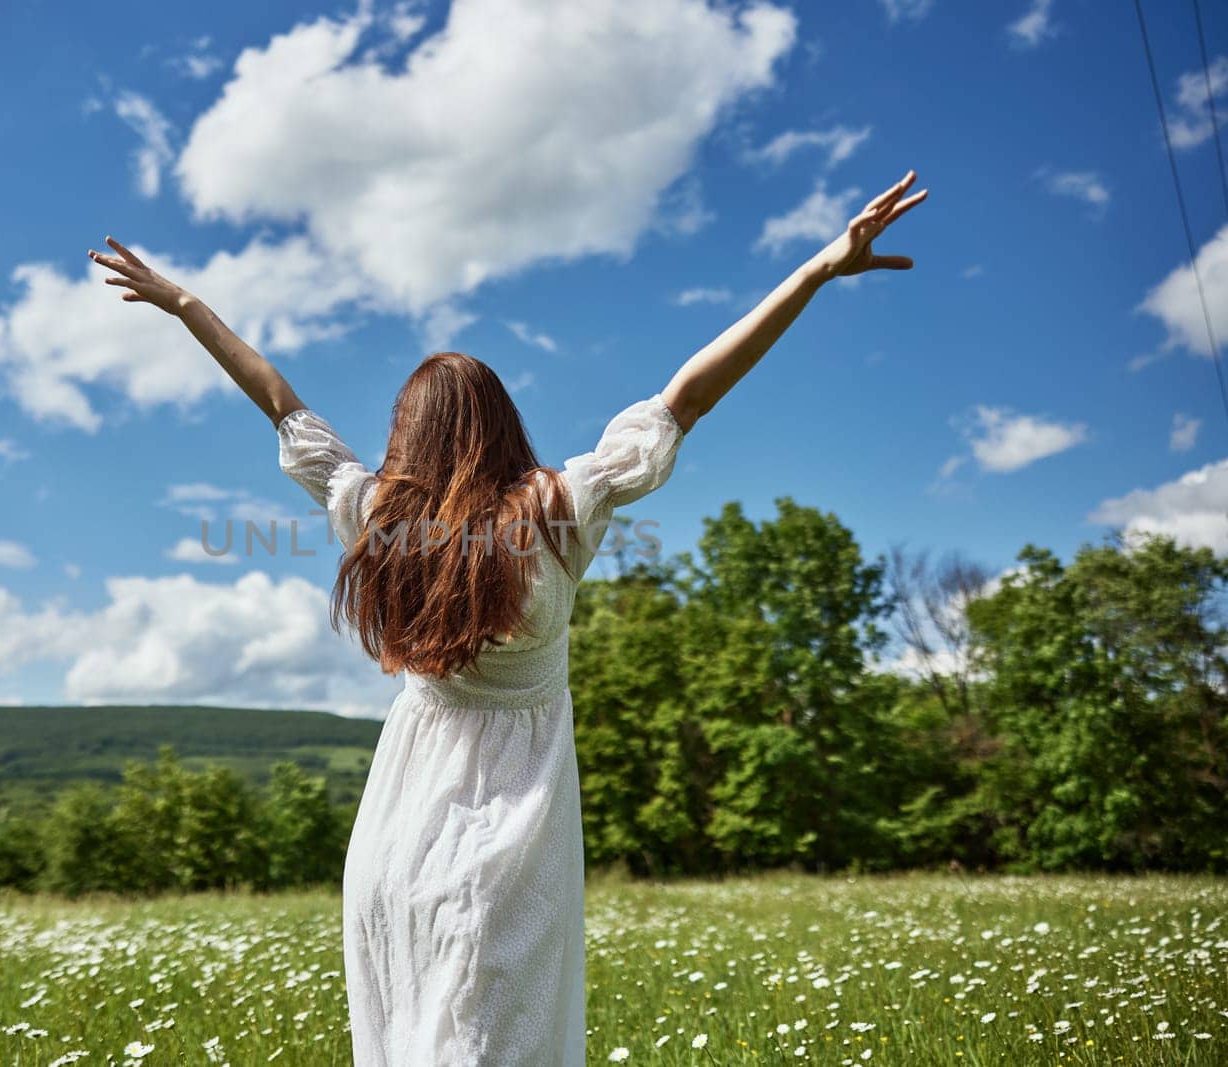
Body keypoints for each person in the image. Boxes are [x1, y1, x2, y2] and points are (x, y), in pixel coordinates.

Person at [88, 168, 928, 1066]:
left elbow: (281, 403)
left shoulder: (376, 515)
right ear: (500, 423)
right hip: (512, 837)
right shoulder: (560, 508)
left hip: (395, 832)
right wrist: (814, 271)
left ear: (409, 434)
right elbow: (689, 395)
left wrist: (185, 303)